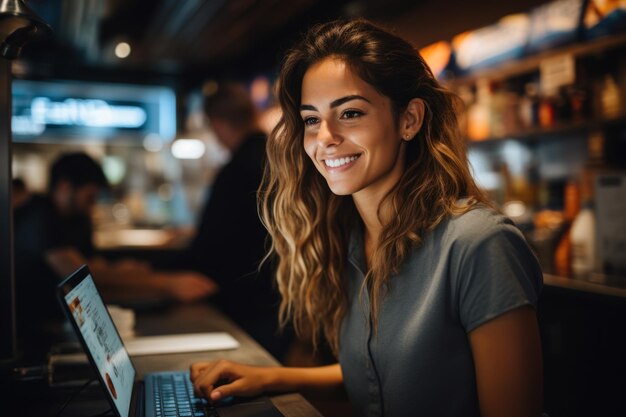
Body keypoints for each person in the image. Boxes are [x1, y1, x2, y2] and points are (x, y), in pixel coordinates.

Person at [190, 19, 544, 417]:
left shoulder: (478, 243)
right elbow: (381, 372)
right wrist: (271, 377)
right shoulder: (352, 239)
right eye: (311, 119)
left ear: (409, 119)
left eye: (351, 113)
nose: (325, 137)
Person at [14, 152, 217, 360]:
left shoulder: (77, 218)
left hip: (67, 323)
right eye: (89, 197)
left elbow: (93, 264)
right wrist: (167, 284)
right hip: (39, 334)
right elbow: (81, 277)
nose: (92, 205)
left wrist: (123, 269)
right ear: (65, 186)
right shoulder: (39, 218)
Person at [182, 83, 291, 360]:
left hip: (245, 303)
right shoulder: (282, 158)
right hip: (283, 297)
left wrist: (151, 271)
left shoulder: (236, 170)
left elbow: (209, 249)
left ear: (216, 123)